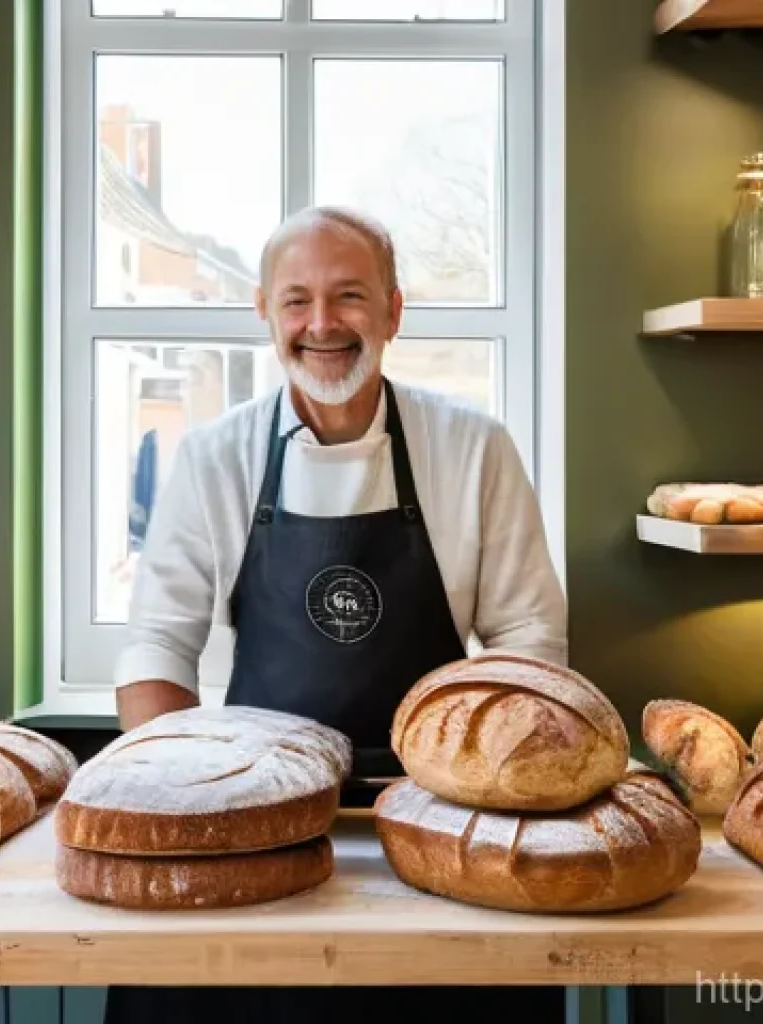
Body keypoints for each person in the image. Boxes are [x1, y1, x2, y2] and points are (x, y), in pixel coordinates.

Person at [105, 206, 568, 1023]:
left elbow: (530, 640)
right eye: (296, 300)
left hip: (438, 822)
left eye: (349, 296)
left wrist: (492, 797)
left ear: (393, 310)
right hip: (254, 827)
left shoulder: (473, 447)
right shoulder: (216, 455)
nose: (322, 324)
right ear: (264, 312)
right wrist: (176, 812)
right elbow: (156, 646)